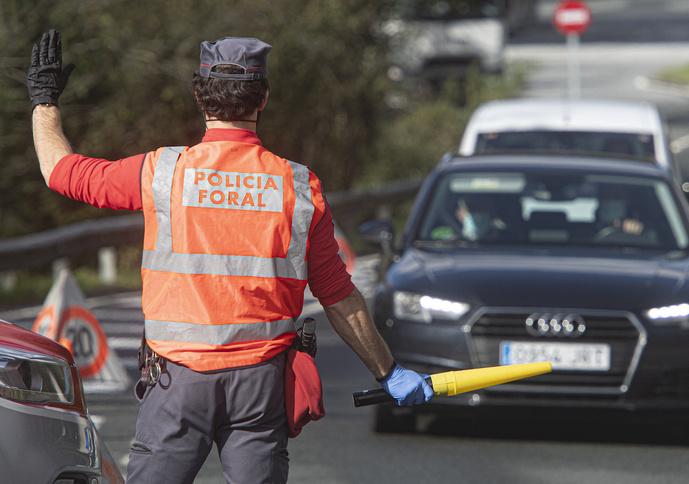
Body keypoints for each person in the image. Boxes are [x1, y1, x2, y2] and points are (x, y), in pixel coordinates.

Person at [28, 30, 433, 484]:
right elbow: (338, 295)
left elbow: (60, 172)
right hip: (260, 387)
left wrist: (44, 101)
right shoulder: (299, 188)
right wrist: (389, 372)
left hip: (176, 383)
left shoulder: (162, 173)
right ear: (263, 99)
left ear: (201, 98)